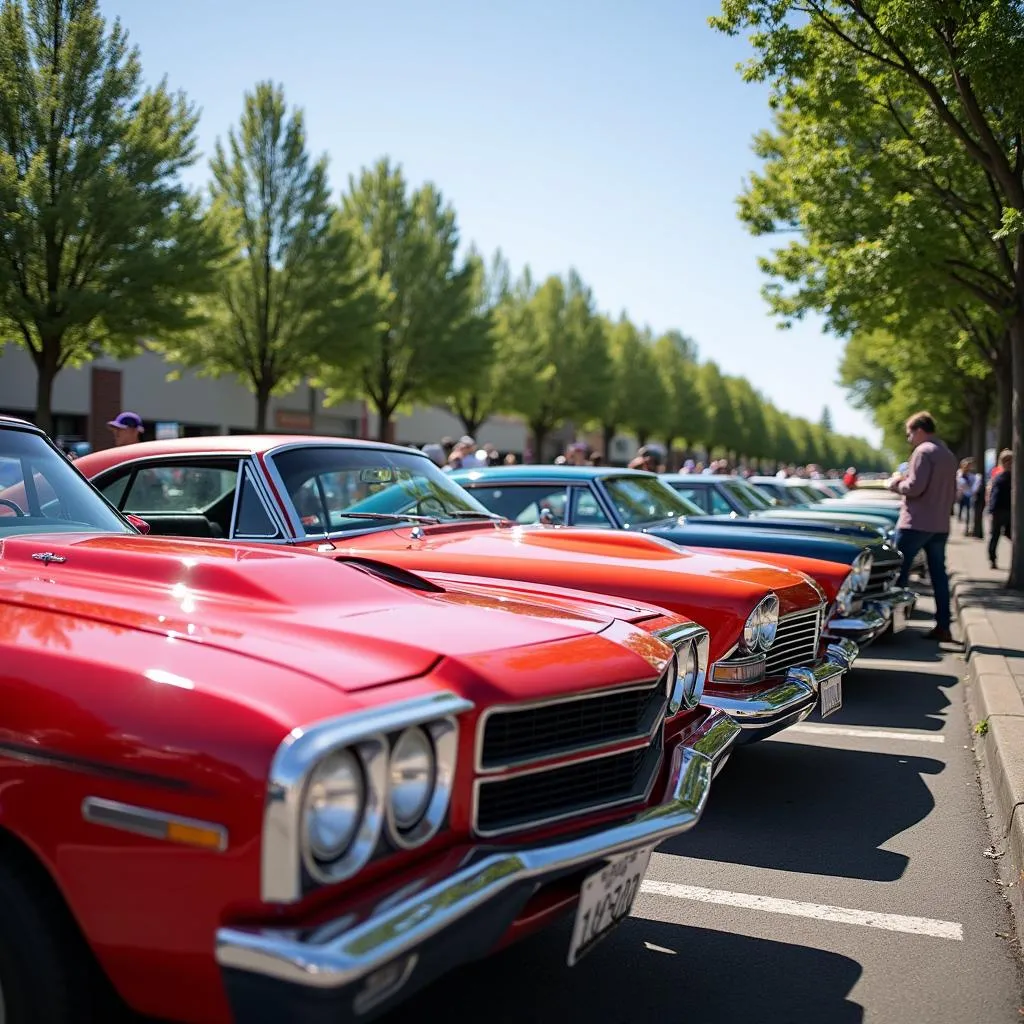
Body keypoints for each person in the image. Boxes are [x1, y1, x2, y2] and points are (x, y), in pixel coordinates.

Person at [887, 411, 959, 642]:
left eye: (909, 433)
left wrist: (896, 484)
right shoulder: (947, 454)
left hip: (915, 522)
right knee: (939, 575)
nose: (909, 439)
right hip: (939, 524)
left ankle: (890, 626)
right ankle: (944, 625)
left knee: (898, 573)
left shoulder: (923, 451)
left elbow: (915, 487)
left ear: (919, 430)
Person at [988, 449, 1013, 569]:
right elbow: (994, 494)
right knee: (995, 535)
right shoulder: (999, 476)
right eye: (1006, 460)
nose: (1009, 463)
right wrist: (992, 510)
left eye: (1011, 460)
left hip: (1010, 511)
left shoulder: (1014, 476)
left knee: (1011, 534)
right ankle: (992, 558)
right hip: (999, 510)